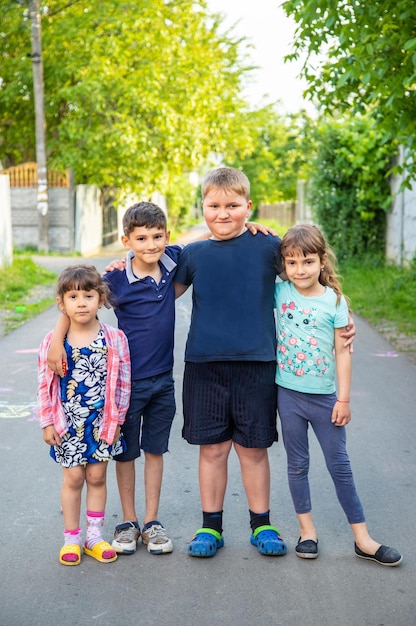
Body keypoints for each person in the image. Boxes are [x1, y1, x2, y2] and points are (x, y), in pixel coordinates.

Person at [174, 167, 355, 558]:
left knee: (253, 449)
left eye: (233, 206)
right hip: (204, 366)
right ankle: (210, 528)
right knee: (213, 450)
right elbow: (157, 292)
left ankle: (263, 525)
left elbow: (306, 272)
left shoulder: (268, 248)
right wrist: (124, 265)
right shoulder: (193, 254)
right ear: (202, 207)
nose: (223, 213)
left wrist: (340, 314)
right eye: (214, 206)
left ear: (248, 206)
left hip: (258, 365)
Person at [47, 203, 181, 555]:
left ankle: (151, 522)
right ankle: (128, 521)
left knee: (155, 450)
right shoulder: (116, 278)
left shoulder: (174, 260)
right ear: (127, 240)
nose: (151, 245)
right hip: (125, 385)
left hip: (163, 381)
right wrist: (58, 339)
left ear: (167, 236)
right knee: (124, 452)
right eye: (141, 238)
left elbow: (216, 236)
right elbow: (79, 298)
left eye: (157, 237)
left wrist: (251, 221)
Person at [274, 223, 402, 565]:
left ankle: (363, 539)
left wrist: (343, 399)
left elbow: (343, 353)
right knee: (297, 464)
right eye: (291, 263)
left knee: (340, 467)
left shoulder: (335, 301)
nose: (299, 270)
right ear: (284, 264)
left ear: (321, 260)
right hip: (287, 395)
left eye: (307, 262)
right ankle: (307, 533)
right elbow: (258, 251)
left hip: (325, 399)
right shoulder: (280, 292)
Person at [37, 265, 131, 566]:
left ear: (101, 299)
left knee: (96, 476)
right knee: (74, 478)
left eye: (89, 296)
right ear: (61, 304)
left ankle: (94, 536)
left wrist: (116, 422)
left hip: (102, 423)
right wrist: (47, 422)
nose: (81, 302)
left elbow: (123, 384)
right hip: (67, 424)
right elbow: (44, 385)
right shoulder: (54, 342)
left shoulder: (114, 338)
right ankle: (71, 538)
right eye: (73, 296)